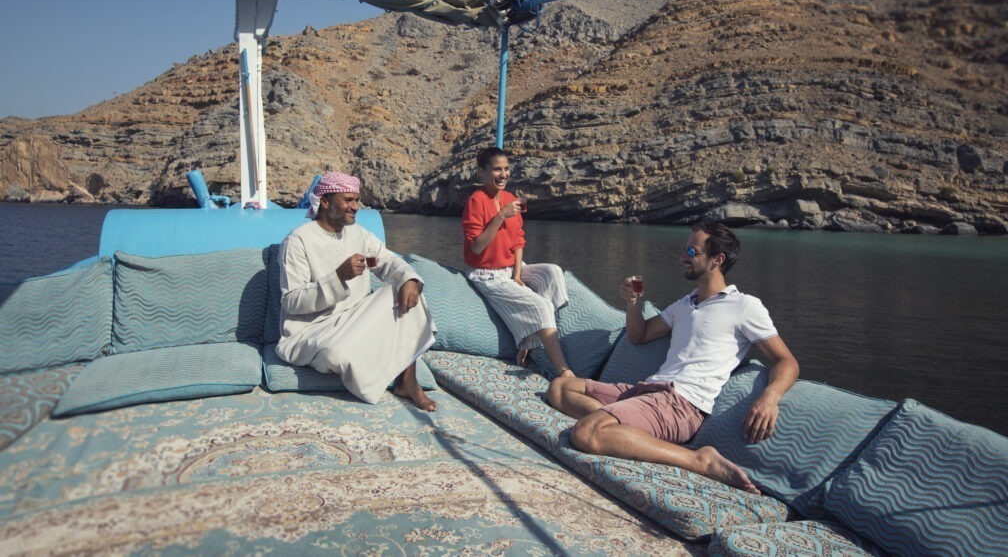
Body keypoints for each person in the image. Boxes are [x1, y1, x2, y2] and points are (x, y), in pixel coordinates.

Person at [546, 222, 799, 494]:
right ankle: (630, 429)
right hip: (648, 391)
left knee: (586, 433)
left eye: (692, 251)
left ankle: (699, 459)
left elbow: (787, 361)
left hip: (681, 404)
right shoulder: (686, 303)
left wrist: (770, 397)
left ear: (717, 259)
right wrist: (633, 303)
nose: (683, 257)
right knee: (560, 388)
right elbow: (639, 335)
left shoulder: (745, 306)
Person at [277, 171, 437, 411]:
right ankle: (373, 366)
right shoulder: (299, 241)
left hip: (356, 319)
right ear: (326, 201)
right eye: (348, 200)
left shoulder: (359, 236)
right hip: (312, 329)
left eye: (356, 200)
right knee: (336, 355)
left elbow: (388, 262)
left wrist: (409, 279)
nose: (355, 207)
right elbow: (291, 301)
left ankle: (408, 380)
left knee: (406, 287)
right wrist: (338, 277)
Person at [461, 146, 575, 378]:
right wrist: (500, 216)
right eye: (496, 170)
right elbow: (476, 247)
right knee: (541, 305)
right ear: (482, 172)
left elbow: (518, 240)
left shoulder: (511, 198)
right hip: (487, 274)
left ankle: (531, 339)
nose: (503, 175)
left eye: (506, 169)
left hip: (511, 269)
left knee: (553, 272)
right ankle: (564, 371)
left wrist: (517, 275)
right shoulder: (476, 200)